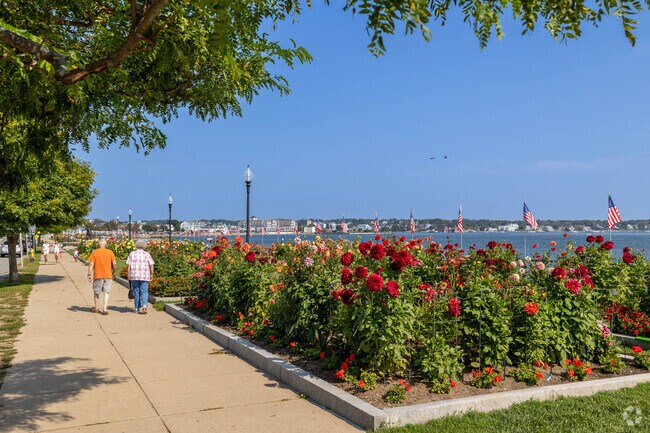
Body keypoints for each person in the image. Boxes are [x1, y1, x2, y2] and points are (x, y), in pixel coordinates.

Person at [87, 238, 117, 315]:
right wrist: (114, 271)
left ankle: (97, 308)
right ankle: (105, 309)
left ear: (98, 244)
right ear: (105, 245)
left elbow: (91, 264)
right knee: (106, 292)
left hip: (98, 275)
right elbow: (114, 263)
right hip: (108, 275)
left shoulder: (94, 252)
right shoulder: (110, 252)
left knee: (96, 292)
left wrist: (89, 274)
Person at [126, 239, 155, 314]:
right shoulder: (147, 254)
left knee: (136, 291)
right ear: (144, 246)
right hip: (144, 275)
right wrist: (151, 274)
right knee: (144, 291)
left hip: (134, 275)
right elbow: (151, 265)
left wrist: (128, 274)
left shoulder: (132, 253)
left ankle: (136, 308)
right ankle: (144, 305)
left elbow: (129, 265)